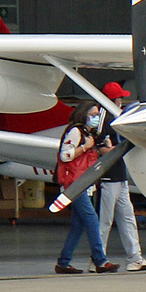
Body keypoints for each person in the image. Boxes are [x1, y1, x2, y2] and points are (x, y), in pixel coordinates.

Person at [94, 81, 146, 271]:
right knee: (105, 220)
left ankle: (135, 258)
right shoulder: (103, 116)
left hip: (119, 176)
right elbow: (98, 145)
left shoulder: (116, 116)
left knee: (127, 217)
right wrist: (112, 149)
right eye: (119, 97)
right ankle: (98, 259)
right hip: (108, 177)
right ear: (112, 99)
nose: (121, 101)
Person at [55, 99, 119, 275]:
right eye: (92, 115)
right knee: (91, 220)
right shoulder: (76, 132)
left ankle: (64, 261)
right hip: (75, 185)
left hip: (84, 183)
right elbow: (66, 155)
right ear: (84, 114)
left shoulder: (88, 133)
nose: (96, 118)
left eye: (97, 115)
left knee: (78, 225)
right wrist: (85, 147)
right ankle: (100, 260)